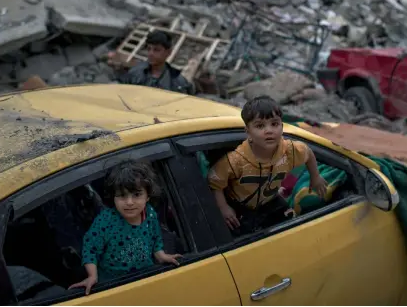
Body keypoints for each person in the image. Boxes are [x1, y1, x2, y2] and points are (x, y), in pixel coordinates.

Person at [208, 95, 328, 234]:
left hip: (270, 200)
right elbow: (214, 181)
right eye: (260, 126)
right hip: (240, 206)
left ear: (282, 126)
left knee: (293, 228)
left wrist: (315, 177)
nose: (269, 130)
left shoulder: (290, 151)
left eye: (274, 124)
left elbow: (308, 153)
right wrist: (223, 207)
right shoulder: (236, 160)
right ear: (248, 132)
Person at [69, 161, 182, 295]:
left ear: (148, 196)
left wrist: (161, 255)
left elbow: (155, 237)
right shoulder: (106, 220)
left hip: (145, 277)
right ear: (113, 197)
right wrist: (92, 276)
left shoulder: (149, 213)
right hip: (113, 284)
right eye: (122, 195)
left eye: (136, 195)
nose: (129, 202)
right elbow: (90, 248)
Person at [117, 31, 195, 95]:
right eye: (149, 49)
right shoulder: (136, 72)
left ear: (168, 52)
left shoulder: (177, 81)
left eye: (156, 50)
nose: (150, 53)